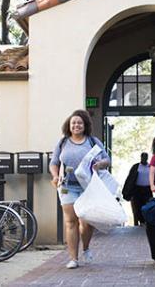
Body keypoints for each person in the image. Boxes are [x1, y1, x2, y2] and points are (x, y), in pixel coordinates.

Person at [49, 109, 110, 269]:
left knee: (87, 221)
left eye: (79, 123)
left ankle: (86, 248)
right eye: (73, 123)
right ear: (69, 126)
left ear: (85, 125)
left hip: (87, 187)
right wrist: (55, 176)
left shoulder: (92, 141)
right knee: (71, 222)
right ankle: (73, 259)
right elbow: (54, 162)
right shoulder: (63, 142)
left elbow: (106, 159)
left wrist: (99, 164)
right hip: (67, 187)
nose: (76, 125)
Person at [123, 152, 152, 226]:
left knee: (148, 205)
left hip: (147, 189)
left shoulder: (150, 166)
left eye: (145, 157)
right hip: (137, 189)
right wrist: (127, 191)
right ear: (140, 157)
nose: (144, 159)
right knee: (137, 206)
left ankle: (147, 221)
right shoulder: (136, 166)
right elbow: (130, 178)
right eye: (143, 157)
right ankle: (138, 221)